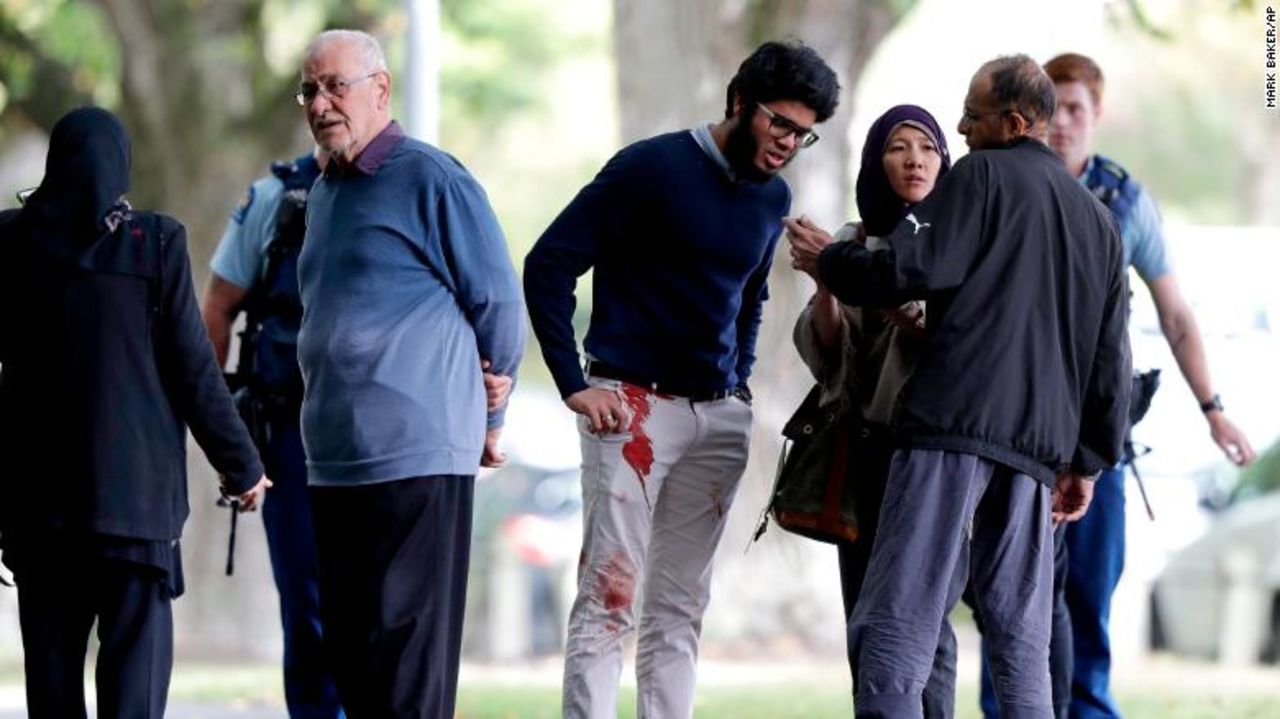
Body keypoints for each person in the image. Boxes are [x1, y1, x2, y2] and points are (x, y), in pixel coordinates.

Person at [787, 55, 1132, 718]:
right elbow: (1109, 358)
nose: (961, 127)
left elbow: (909, 264)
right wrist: (1089, 460)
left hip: (950, 428)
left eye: (971, 114)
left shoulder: (978, 176)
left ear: (1013, 121)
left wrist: (830, 259)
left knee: (895, 622)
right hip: (1037, 454)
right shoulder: (1099, 223)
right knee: (1021, 644)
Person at [524, 39, 840, 719]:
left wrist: (740, 380)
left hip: (718, 417)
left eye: (803, 133)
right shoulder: (649, 169)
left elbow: (751, 295)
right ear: (738, 102)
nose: (788, 142)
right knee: (610, 597)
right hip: (630, 408)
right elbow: (547, 264)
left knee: (679, 610)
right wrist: (572, 383)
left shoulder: (773, 197)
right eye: (778, 123)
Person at [0, 107, 269, 718]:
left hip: (38, 512)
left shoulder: (9, 241)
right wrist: (243, 465)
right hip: (134, 510)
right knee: (135, 689)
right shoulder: (153, 242)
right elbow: (192, 368)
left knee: (52, 686)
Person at [294, 29, 525, 719]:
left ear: (381, 89)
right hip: (335, 460)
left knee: (410, 671)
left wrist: (489, 420)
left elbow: (499, 305)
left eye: (337, 85)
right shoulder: (325, 191)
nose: (322, 102)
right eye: (310, 89)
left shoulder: (432, 177)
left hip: (418, 454)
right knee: (353, 660)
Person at [1034, 52, 1254, 719]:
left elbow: (1176, 314)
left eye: (1075, 109)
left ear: (1097, 115)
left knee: (1090, 598)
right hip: (1020, 428)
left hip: (1100, 436)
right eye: (1052, 108)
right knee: (1013, 603)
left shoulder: (1125, 201)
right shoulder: (1010, 184)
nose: (1062, 123)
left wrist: (1213, 409)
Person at [790, 104, 955, 716]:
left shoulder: (953, 241)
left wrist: (871, 285)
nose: (915, 159)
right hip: (862, 450)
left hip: (930, 455)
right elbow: (829, 353)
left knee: (925, 623)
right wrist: (827, 282)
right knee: (865, 615)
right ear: (875, 160)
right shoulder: (852, 239)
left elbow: (945, 341)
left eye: (929, 148)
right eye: (898, 146)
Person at [202, 148, 343, 719]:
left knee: (376, 600)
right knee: (306, 595)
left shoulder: (407, 186)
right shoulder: (274, 200)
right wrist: (222, 432)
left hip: (383, 432)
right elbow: (217, 308)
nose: (327, 104)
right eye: (314, 91)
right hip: (290, 430)